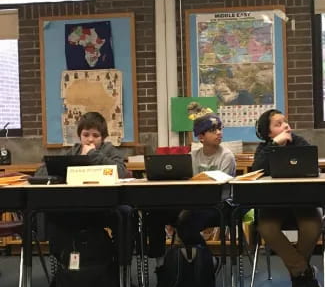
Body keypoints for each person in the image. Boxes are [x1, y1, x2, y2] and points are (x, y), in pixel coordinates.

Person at [35, 111, 132, 262]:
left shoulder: (110, 151)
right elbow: (40, 172)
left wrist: (93, 154)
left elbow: (120, 171)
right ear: (80, 135)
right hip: (75, 206)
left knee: (125, 214)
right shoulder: (73, 151)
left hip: (104, 207)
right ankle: (63, 264)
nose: (90, 140)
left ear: (103, 137)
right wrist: (57, 168)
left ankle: (119, 263)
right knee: (52, 215)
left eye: (95, 135)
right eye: (86, 135)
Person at [147, 113, 236, 268]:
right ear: (201, 137)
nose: (219, 133)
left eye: (220, 129)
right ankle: (160, 264)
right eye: (213, 130)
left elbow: (221, 188)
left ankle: (209, 261)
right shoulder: (192, 157)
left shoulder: (226, 156)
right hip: (192, 203)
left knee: (186, 223)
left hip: (218, 205)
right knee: (155, 214)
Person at [251, 109, 323, 287]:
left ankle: (297, 274)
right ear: (268, 133)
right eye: (278, 124)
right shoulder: (264, 148)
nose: (285, 126)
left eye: (285, 122)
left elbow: (314, 165)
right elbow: (256, 170)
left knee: (312, 227)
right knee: (267, 229)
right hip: (273, 204)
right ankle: (304, 271)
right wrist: (274, 145)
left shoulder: (299, 142)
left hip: (302, 202)